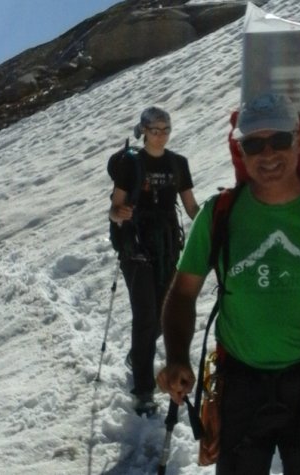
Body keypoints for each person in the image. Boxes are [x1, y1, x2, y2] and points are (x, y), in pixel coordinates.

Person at [157, 92, 300, 474]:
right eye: (253, 144)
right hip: (240, 381)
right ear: (241, 151)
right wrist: (177, 356)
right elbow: (182, 293)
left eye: (279, 139)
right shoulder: (218, 215)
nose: (268, 153)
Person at [109, 106, 199, 416]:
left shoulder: (178, 164)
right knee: (146, 315)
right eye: (155, 129)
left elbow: (191, 208)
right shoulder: (130, 164)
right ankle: (144, 391)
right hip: (136, 248)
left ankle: (139, 353)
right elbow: (115, 207)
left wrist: (216, 221)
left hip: (168, 248)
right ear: (143, 131)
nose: (161, 135)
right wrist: (119, 215)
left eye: (166, 129)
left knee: (162, 316)